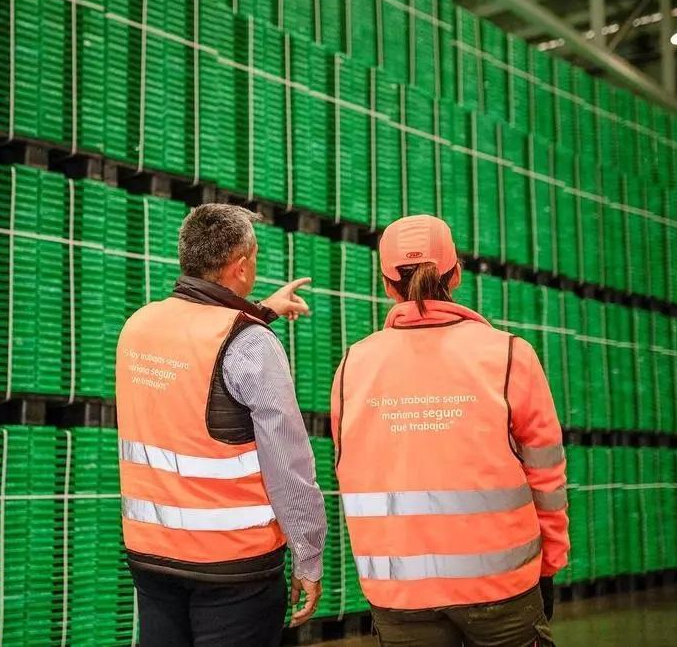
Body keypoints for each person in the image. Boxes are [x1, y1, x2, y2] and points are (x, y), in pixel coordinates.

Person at [330, 215, 569, 647]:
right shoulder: (509, 355)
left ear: (387, 286)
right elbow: (546, 475)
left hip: (398, 592)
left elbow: (347, 468)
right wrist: (549, 562)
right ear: (456, 274)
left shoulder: (353, 365)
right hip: (501, 588)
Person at [116, 203, 327, 646]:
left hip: (151, 556)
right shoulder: (251, 344)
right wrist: (308, 555)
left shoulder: (139, 326)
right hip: (233, 567)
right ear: (242, 265)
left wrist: (261, 311)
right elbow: (288, 463)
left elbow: (199, 351)